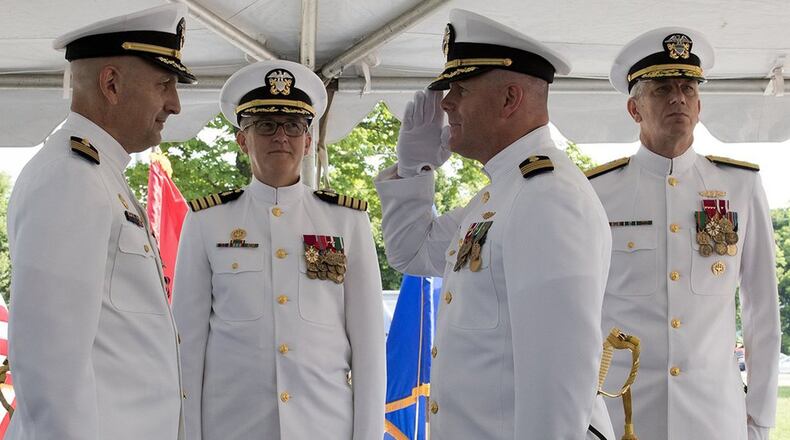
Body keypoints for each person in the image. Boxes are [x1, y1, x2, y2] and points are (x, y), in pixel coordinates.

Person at [375, 9, 614, 440]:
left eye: (460, 88)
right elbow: (411, 252)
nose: (446, 103)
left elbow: (558, 383)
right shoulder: (501, 195)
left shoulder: (546, 197)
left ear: (509, 100)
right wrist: (415, 169)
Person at [5, 4, 195, 439]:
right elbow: (50, 368)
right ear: (111, 84)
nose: (176, 104)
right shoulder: (71, 177)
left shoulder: (98, 173)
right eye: (164, 84)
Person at [172, 59, 385, 440]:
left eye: (293, 126)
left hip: (323, 427)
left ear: (307, 141)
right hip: (234, 427)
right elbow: (187, 346)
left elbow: (369, 348)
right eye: (265, 126)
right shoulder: (207, 221)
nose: (280, 137)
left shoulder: (346, 221)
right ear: (242, 139)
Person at [587, 27, 780, 440]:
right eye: (661, 89)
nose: (678, 97)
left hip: (714, 416)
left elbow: (762, 306)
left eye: (687, 87)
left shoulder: (740, 186)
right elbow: (574, 311)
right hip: (622, 413)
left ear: (699, 103)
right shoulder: (597, 193)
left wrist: (760, 418)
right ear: (634, 109)